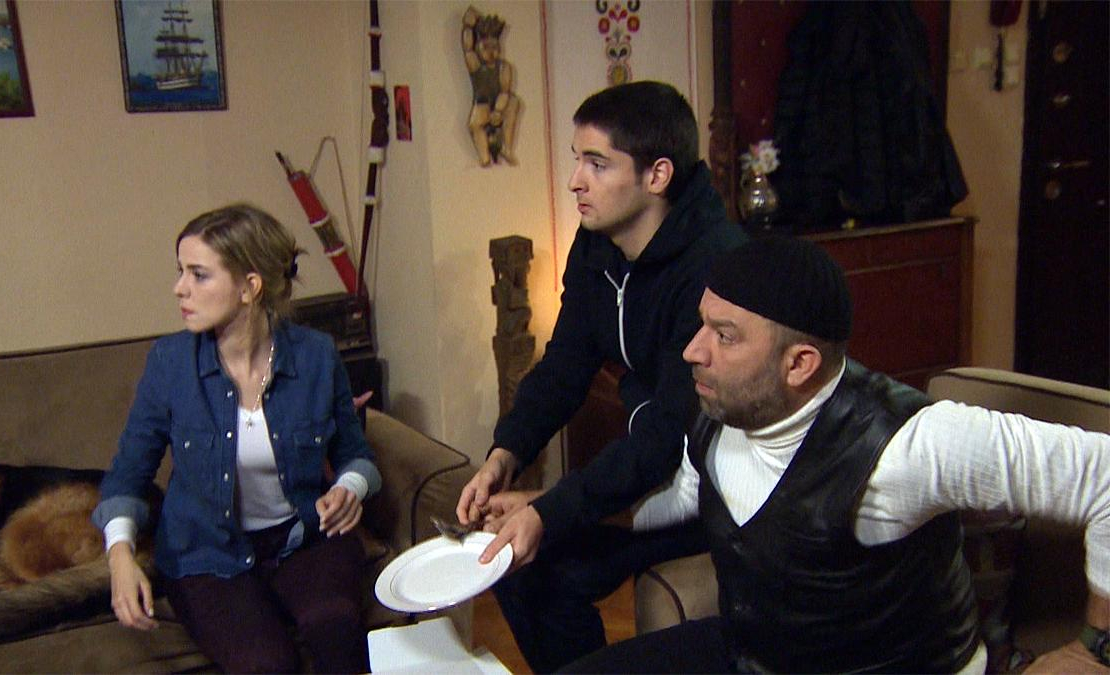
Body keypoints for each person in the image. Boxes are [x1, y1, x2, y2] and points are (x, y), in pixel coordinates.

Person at [562, 236, 1110, 673]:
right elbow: (692, 485)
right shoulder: (722, 400)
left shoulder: (908, 445)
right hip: (757, 652)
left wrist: (1094, 650)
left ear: (799, 364)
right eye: (702, 323)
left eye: (724, 336)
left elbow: (1105, 474)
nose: (692, 350)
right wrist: (558, 515)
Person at [456, 80, 747, 672]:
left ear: (657, 175)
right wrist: (505, 453)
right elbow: (564, 366)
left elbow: (667, 438)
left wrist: (547, 508)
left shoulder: (713, 267)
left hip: (713, 483)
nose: (575, 181)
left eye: (597, 163)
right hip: (657, 459)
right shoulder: (596, 246)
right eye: (576, 160)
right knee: (514, 562)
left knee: (540, 547)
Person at [92, 204, 382, 674]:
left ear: (250, 286)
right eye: (180, 271)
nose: (179, 288)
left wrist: (352, 487)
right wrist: (120, 556)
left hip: (304, 539)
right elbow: (128, 475)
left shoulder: (315, 355)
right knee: (267, 664)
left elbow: (356, 456)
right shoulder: (170, 364)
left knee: (335, 629)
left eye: (198, 275)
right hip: (206, 552)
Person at [462, 5, 520, 166]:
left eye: (494, 47)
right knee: (474, 124)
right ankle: (485, 157)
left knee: (514, 102)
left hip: (500, 103)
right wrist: (468, 26)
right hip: (483, 103)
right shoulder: (476, 66)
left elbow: (505, 91)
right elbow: (467, 48)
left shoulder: (504, 67)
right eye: (486, 47)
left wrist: (498, 111)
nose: (491, 52)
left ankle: (507, 149)